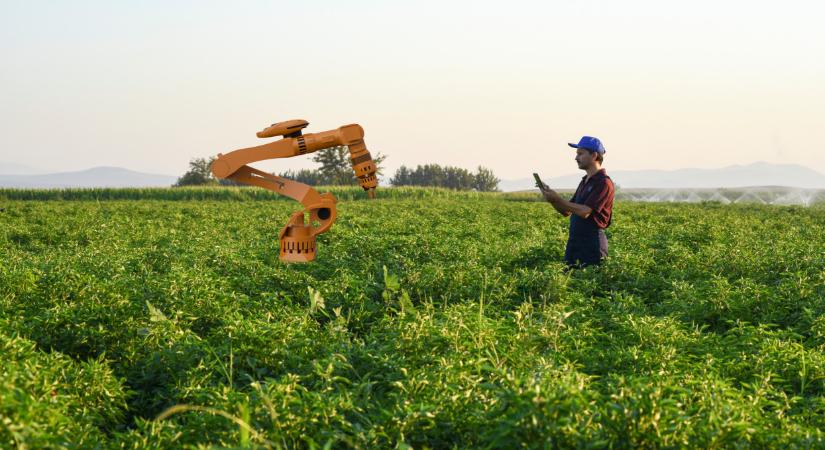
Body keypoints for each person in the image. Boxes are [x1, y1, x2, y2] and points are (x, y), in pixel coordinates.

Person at [536, 136, 614, 268]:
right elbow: (566, 211)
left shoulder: (603, 182)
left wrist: (558, 199)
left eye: (580, 153)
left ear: (594, 155)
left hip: (592, 244)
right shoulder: (584, 181)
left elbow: (585, 212)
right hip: (575, 242)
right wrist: (552, 200)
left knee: (588, 284)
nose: (576, 158)